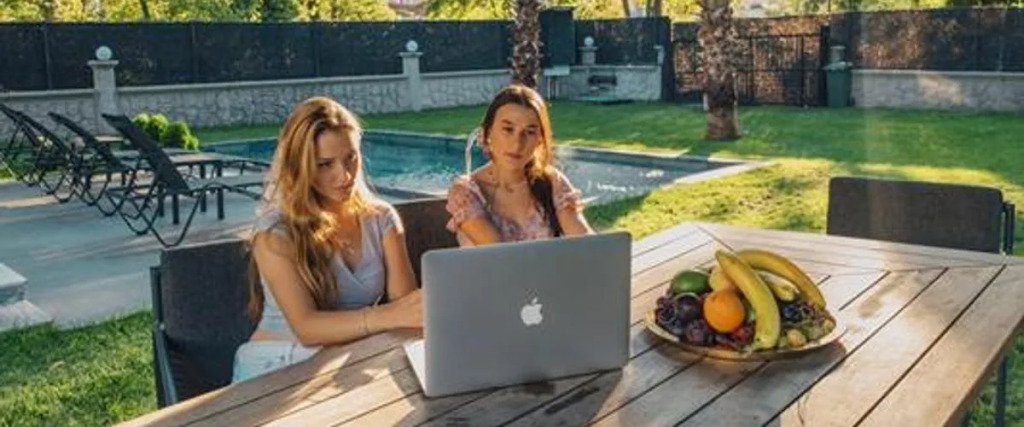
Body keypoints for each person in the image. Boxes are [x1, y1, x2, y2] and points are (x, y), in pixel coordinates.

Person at [233, 97, 422, 383]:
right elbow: (306, 328)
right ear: (300, 167)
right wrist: (387, 316)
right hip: (275, 363)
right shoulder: (275, 234)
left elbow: (407, 311)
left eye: (351, 158)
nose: (344, 176)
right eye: (324, 165)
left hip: (344, 359)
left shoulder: (381, 219)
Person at [446, 84, 593, 246]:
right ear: (487, 133)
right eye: (508, 129)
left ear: (539, 140)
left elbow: (588, 243)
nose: (517, 143)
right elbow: (502, 254)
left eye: (529, 132)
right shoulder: (466, 193)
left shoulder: (552, 182)